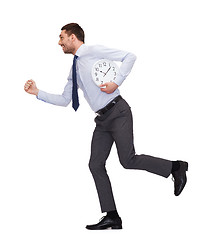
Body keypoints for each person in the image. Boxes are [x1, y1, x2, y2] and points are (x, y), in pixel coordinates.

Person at [24, 23, 188, 230]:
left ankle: (176, 167)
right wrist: (37, 92)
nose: (59, 42)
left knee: (127, 160)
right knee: (95, 164)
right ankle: (112, 216)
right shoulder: (73, 69)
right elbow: (65, 99)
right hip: (102, 121)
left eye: (62, 37)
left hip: (118, 112)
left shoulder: (91, 50)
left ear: (73, 37)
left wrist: (117, 82)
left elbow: (130, 57)